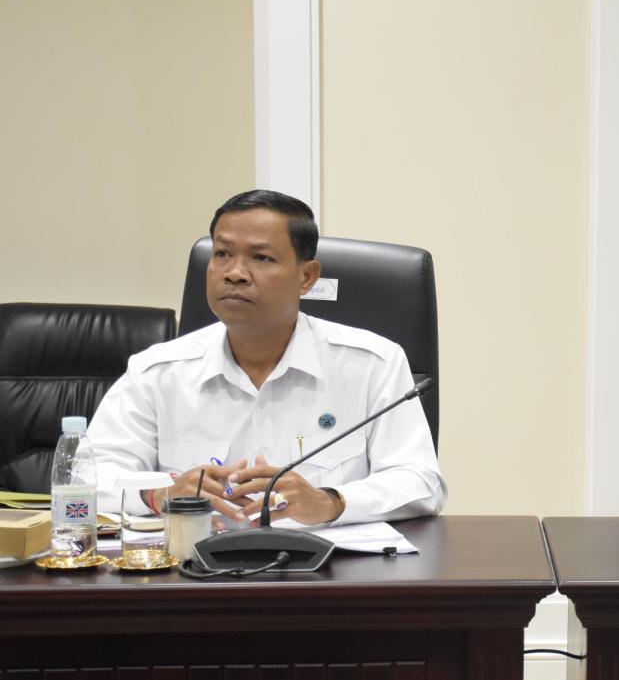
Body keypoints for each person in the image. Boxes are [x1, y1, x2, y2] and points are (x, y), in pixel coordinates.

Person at [90, 189, 446, 527]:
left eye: (261, 258)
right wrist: (158, 494)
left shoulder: (371, 364)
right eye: (222, 254)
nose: (234, 273)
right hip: (193, 564)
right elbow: (86, 480)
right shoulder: (157, 372)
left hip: (329, 566)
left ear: (306, 277)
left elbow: (420, 481)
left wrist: (330, 501)